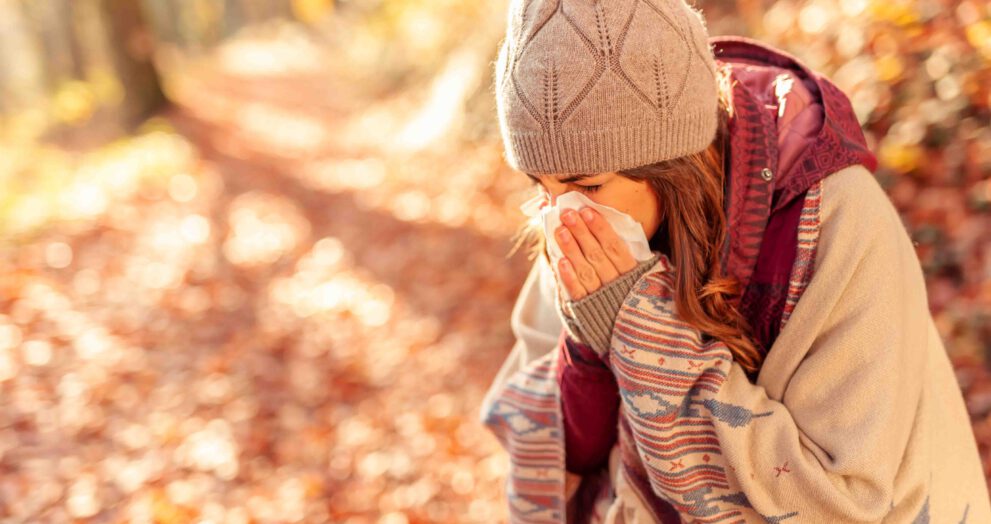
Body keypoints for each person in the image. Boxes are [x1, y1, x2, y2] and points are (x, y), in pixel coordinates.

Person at [478, 1, 991, 523]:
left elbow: (842, 498)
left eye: (587, 185)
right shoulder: (584, 228)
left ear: (671, 162)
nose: (562, 212)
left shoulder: (833, 221)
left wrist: (642, 334)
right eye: (541, 187)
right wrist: (591, 345)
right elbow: (565, 457)